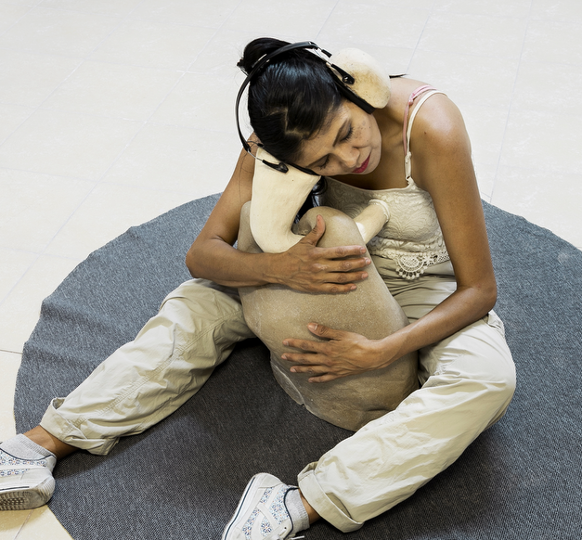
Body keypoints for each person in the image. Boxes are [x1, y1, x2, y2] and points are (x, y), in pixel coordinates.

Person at [0, 38, 516, 540]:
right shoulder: (277, 140)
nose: (348, 158)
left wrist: (384, 349)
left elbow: (479, 288)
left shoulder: (431, 126)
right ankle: (38, 447)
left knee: (487, 377)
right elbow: (203, 254)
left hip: (418, 285)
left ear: (356, 89)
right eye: (322, 163)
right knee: (196, 306)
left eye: (347, 132)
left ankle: (301, 501)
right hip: (313, 268)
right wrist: (280, 269)